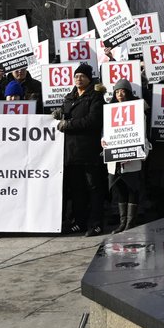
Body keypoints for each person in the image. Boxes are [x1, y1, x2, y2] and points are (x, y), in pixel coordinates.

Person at [56, 63, 107, 235]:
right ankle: (79, 221)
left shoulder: (95, 96)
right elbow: (64, 114)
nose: (79, 78)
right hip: (71, 152)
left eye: (82, 76)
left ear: (88, 78)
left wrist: (69, 124)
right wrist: (58, 115)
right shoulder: (69, 97)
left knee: (93, 188)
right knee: (76, 189)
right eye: (76, 76)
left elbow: (93, 120)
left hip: (89, 150)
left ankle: (96, 223)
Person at [105, 81, 146, 232]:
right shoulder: (109, 111)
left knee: (132, 189)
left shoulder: (137, 111)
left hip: (131, 158)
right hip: (114, 160)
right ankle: (123, 222)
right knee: (119, 190)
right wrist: (103, 141)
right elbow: (106, 132)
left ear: (128, 93)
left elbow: (142, 135)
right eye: (117, 92)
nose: (120, 95)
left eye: (122, 91)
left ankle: (130, 222)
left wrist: (136, 152)